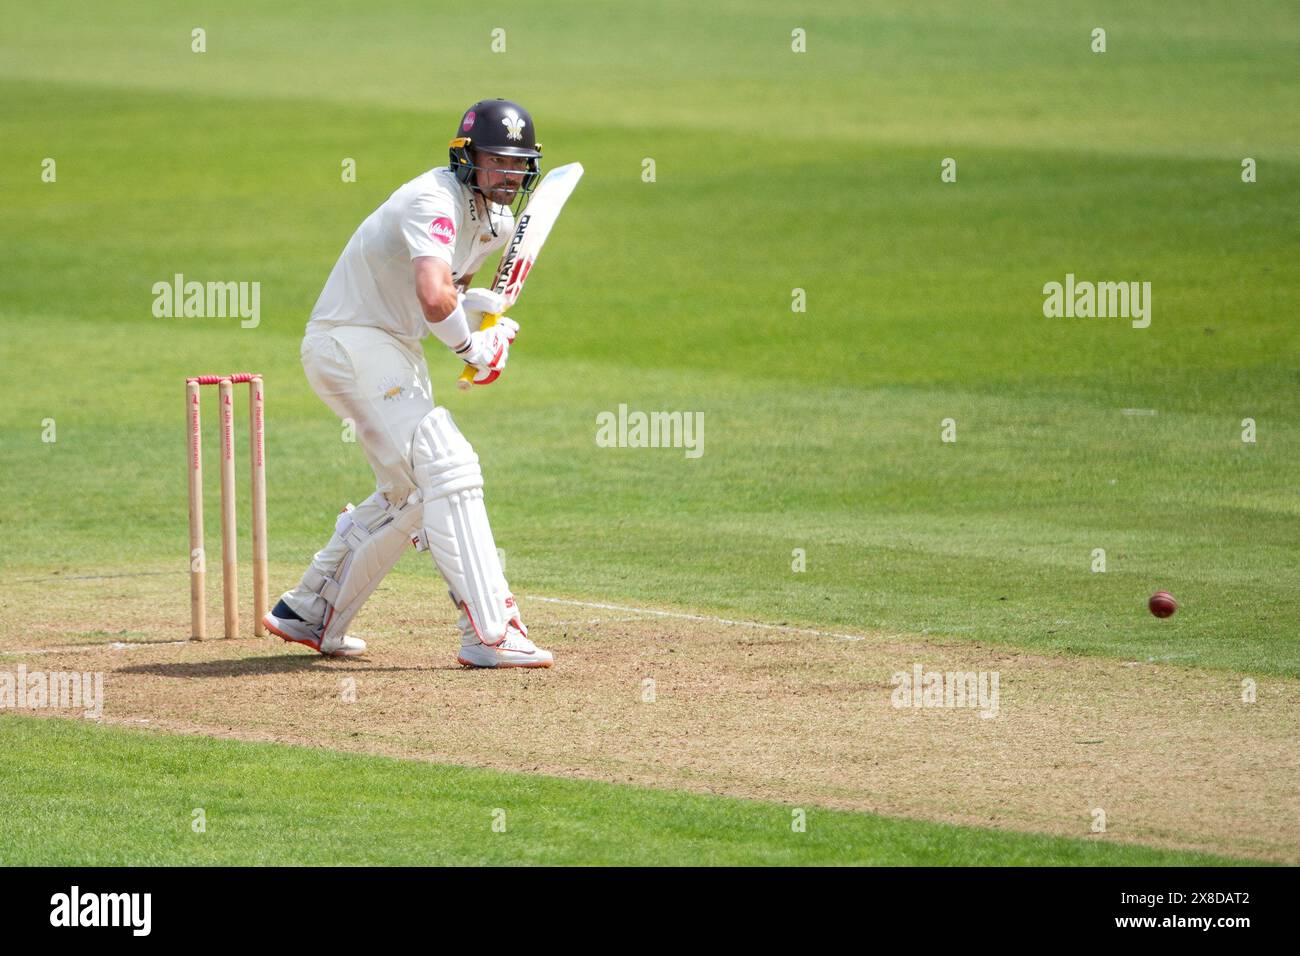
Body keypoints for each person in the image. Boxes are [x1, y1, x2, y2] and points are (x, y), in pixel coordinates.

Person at [261, 98, 553, 668]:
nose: (509, 175)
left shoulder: (497, 220)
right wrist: (473, 345)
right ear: (466, 158)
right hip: (350, 339)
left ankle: (310, 609)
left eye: (518, 164)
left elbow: (447, 293)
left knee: (416, 493)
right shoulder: (432, 200)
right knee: (450, 464)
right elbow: (430, 294)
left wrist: (482, 318)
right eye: (496, 161)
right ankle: (492, 633)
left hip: (393, 347)